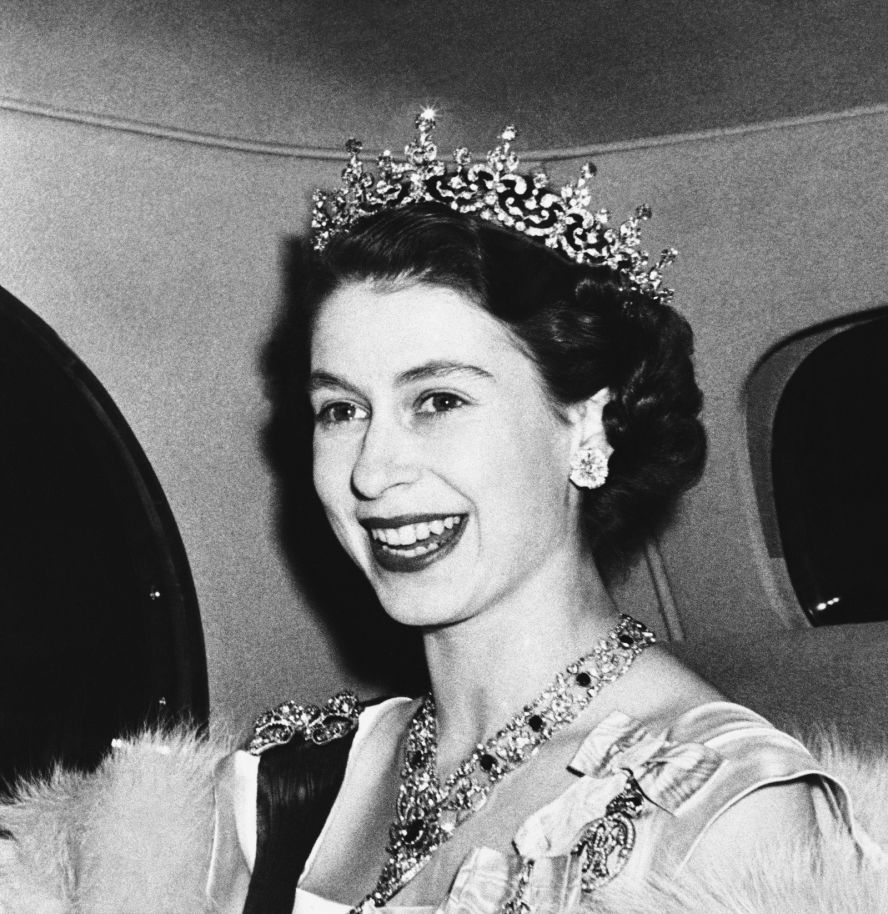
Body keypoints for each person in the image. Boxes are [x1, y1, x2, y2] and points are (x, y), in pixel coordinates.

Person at [205, 112, 880, 914]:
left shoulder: (724, 820)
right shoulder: (286, 779)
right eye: (340, 410)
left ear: (586, 425)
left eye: (439, 400)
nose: (374, 472)